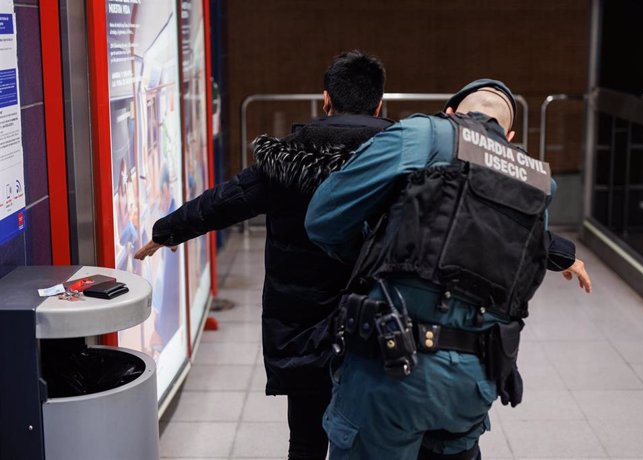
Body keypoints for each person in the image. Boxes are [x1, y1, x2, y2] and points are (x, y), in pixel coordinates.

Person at [305, 79, 592, 459]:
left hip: (393, 369)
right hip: (475, 381)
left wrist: (372, 254)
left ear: (452, 114)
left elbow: (323, 217)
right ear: (509, 135)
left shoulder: (426, 134)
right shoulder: (537, 181)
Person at [134, 50, 393, 460]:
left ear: (325, 99)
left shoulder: (288, 159)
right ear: (380, 104)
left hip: (303, 329)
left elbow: (224, 202)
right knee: (375, 441)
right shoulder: (402, 162)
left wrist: (166, 231)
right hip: (381, 326)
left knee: (306, 440)